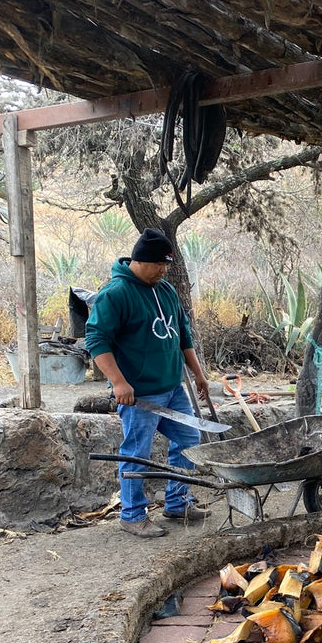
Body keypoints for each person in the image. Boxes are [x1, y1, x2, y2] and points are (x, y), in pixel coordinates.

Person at [85, 228, 211, 537]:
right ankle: (132, 514)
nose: (163, 270)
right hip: (139, 393)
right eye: (159, 265)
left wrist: (198, 374)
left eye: (167, 265)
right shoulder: (115, 294)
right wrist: (118, 382)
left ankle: (178, 503)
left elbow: (183, 335)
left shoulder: (166, 290)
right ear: (140, 260)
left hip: (172, 387)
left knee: (189, 441)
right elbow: (96, 340)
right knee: (137, 452)